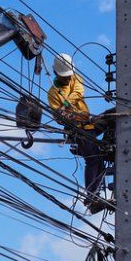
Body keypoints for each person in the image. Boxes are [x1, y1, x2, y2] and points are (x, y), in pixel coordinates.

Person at [47, 53, 109, 212]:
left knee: (114, 116)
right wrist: (63, 115)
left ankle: (109, 145)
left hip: (89, 124)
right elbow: (58, 118)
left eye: (69, 76)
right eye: (65, 77)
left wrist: (67, 103)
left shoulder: (75, 78)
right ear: (56, 74)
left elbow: (79, 91)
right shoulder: (53, 93)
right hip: (76, 130)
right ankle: (91, 197)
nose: (68, 79)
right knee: (94, 160)